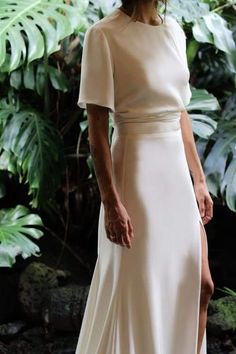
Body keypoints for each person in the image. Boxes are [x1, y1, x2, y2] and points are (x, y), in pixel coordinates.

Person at [75, 0, 215, 353]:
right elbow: (97, 131)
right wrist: (111, 201)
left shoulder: (173, 31)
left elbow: (179, 110)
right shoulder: (103, 35)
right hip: (136, 174)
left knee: (201, 285)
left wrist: (198, 179)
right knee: (143, 292)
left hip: (176, 177)